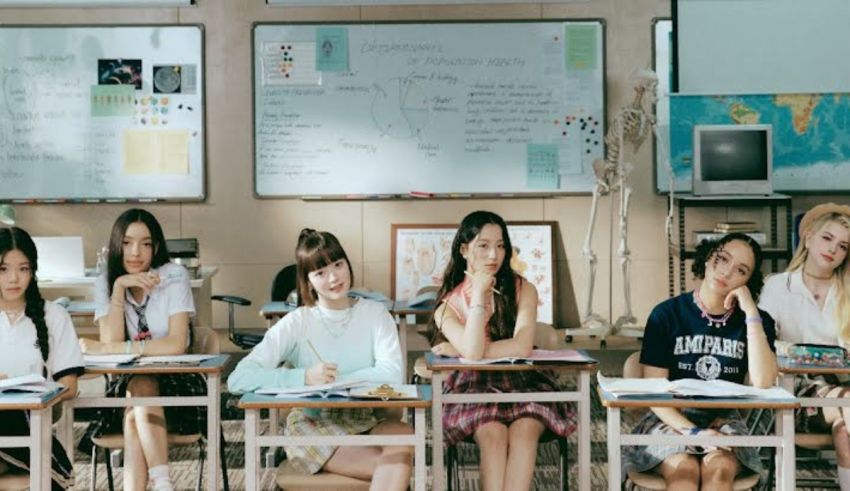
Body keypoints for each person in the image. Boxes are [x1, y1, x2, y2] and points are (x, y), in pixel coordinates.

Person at [228, 228, 412, 490]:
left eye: (338, 265)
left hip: (364, 419)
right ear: (307, 280)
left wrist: (340, 381)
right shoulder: (297, 322)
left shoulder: (375, 313)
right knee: (397, 463)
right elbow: (239, 378)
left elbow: (392, 373)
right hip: (313, 425)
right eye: (320, 272)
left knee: (404, 435)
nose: (334, 277)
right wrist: (303, 377)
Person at [429, 210, 574, 491]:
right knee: (493, 435)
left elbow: (520, 347)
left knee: (524, 432)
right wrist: (480, 297)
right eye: (483, 246)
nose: (493, 255)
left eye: (500, 245)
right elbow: (472, 354)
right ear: (463, 250)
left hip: (524, 380)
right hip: (473, 386)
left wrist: (465, 350)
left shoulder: (524, 289)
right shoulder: (448, 305)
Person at [623, 233, 777, 490]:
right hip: (669, 418)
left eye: (740, 270)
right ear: (707, 259)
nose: (726, 272)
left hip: (726, 419)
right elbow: (655, 393)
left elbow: (763, 382)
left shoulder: (759, 321)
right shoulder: (666, 314)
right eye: (722, 259)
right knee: (683, 467)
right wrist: (693, 432)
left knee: (718, 468)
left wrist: (751, 312)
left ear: (748, 281)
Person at [79, 208, 203, 491]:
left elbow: (176, 345)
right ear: (116, 245)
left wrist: (122, 348)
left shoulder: (173, 275)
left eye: (146, 243)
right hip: (126, 388)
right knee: (137, 394)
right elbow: (109, 342)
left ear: (156, 247)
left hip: (179, 383)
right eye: (127, 243)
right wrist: (119, 288)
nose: (136, 252)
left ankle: (155, 484)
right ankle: (162, 483)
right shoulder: (107, 281)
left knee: (139, 395)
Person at [759, 203, 850, 490]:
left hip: (842, 394)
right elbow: (761, 343)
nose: (833, 249)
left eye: (843, 246)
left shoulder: (847, 290)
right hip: (793, 390)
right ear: (808, 238)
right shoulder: (778, 286)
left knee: (845, 431)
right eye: (827, 238)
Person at [0, 227, 84, 490]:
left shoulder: (54, 316)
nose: (14, 278)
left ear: (33, 271)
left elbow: (70, 385)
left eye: (23, 269)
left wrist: (31, 388)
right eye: (3, 269)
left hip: (31, 420)